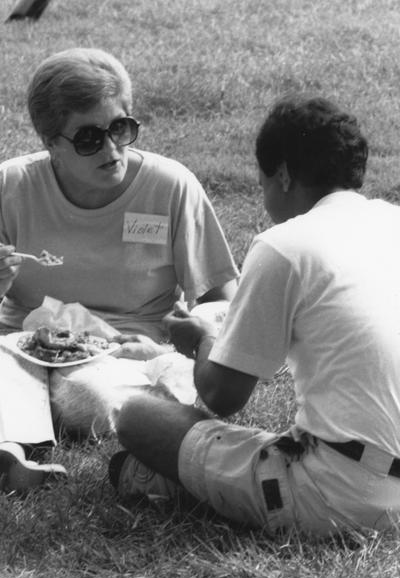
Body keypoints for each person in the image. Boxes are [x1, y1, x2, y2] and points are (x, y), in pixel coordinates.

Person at [109, 94, 400, 537]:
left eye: (263, 183)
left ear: (282, 174)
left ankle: (172, 482)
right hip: (379, 469)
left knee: (134, 413)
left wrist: (202, 339)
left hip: (348, 495)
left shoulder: (285, 244)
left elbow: (224, 396)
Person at [0, 47, 238, 491]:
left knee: (93, 396)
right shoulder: (11, 186)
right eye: (89, 138)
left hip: (124, 352)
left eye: (120, 128)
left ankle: (36, 416)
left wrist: (168, 346)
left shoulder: (170, 186)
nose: (111, 149)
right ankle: (11, 453)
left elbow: (224, 302)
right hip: (20, 345)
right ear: (51, 143)